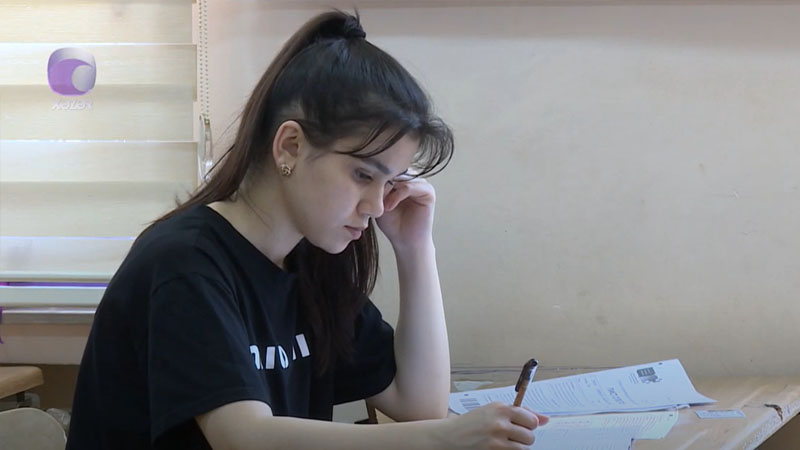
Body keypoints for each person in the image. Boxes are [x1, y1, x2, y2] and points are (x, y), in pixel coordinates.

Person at [66, 10, 548, 450]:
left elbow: (418, 403)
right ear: (290, 146)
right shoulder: (185, 261)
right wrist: (445, 438)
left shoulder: (310, 260)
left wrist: (415, 247)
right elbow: (242, 436)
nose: (376, 205)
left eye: (389, 183)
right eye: (363, 174)